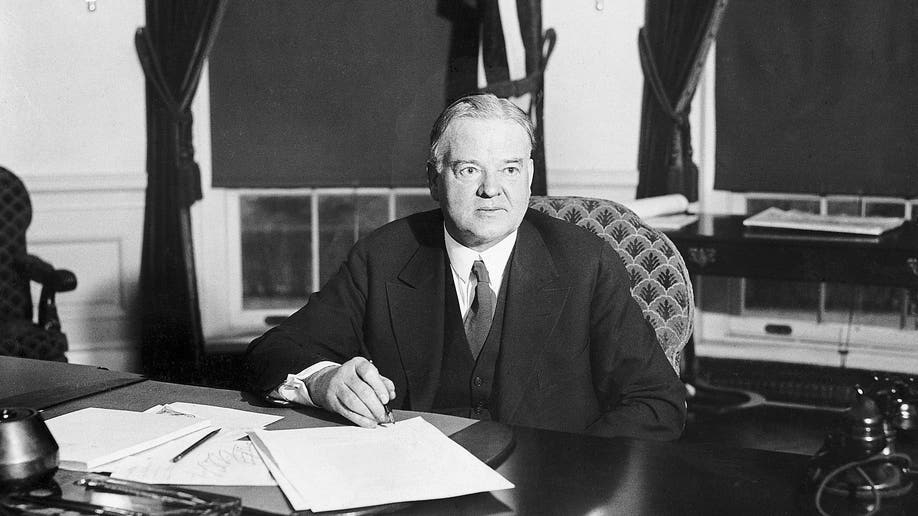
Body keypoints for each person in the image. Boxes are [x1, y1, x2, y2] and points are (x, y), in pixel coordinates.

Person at [243, 93, 686, 440]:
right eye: (468, 170)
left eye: (509, 169)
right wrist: (322, 382)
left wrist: (570, 472)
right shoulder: (383, 256)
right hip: (412, 491)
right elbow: (272, 351)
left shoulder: (585, 262)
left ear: (530, 177)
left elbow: (656, 402)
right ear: (434, 179)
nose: (491, 190)